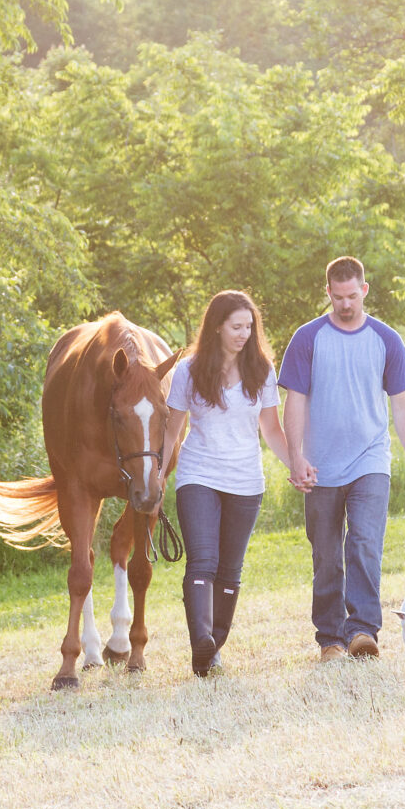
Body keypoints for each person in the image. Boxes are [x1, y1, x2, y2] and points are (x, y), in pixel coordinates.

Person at [279, 256, 405, 660]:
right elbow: (294, 401)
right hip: (320, 466)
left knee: (363, 541)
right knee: (326, 554)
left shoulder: (385, 339)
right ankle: (330, 638)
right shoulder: (307, 338)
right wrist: (296, 457)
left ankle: (363, 631)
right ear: (327, 293)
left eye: (352, 296)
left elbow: (402, 405)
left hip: (370, 460)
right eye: (338, 297)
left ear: (364, 290)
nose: (346, 304)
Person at [159, 289, 296, 677]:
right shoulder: (189, 369)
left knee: (230, 569)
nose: (243, 334)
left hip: (245, 479)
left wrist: (295, 464)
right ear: (217, 327)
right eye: (236, 326)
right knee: (203, 560)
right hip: (198, 474)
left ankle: (212, 648)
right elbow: (173, 427)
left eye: (249, 327)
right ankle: (201, 641)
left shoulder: (262, 370)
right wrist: (158, 473)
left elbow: (271, 428)